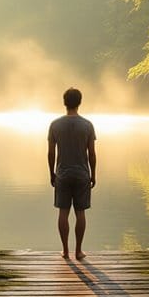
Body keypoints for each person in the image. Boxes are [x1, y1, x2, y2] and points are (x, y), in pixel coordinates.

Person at [47, 87, 97, 260]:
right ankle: (79, 251)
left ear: (64, 102)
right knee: (80, 212)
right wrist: (93, 174)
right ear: (79, 102)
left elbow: (51, 153)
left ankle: (66, 252)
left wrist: (52, 173)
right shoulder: (88, 125)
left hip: (62, 174)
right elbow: (91, 153)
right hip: (82, 174)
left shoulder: (55, 125)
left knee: (63, 212)